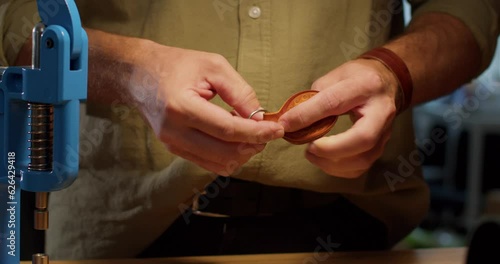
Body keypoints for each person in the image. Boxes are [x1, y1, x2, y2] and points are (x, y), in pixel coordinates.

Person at [1, 0, 499, 260]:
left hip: (352, 228)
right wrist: (133, 71)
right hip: (119, 234)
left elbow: (471, 12)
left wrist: (395, 71)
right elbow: (13, 15)